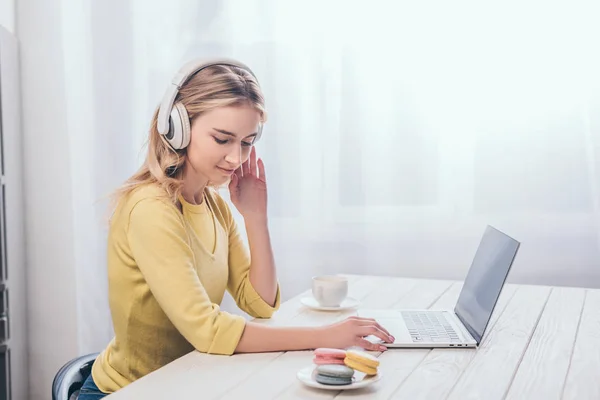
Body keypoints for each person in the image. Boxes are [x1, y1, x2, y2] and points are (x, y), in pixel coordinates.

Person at [78, 58, 394, 399]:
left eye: (246, 142)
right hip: (131, 391)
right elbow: (208, 331)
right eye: (222, 139)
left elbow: (259, 303)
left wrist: (255, 218)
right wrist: (325, 335)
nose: (236, 158)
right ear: (178, 128)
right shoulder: (151, 209)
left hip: (187, 383)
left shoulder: (212, 204)